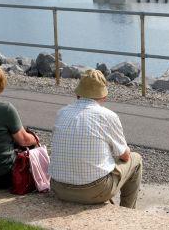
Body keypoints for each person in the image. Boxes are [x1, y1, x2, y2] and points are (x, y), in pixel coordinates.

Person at [49, 69, 142, 209]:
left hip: (58, 188)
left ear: (78, 93)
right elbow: (125, 156)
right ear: (103, 96)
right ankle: (127, 212)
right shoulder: (108, 116)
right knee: (136, 159)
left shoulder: (62, 112)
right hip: (94, 191)